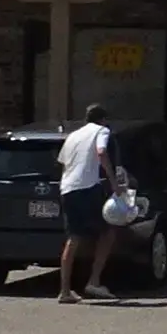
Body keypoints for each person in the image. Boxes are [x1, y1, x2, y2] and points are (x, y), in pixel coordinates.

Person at [52, 98, 117, 301]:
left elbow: (64, 163)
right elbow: (101, 152)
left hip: (67, 189)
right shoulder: (101, 131)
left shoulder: (73, 136)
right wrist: (113, 182)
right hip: (88, 188)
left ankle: (65, 291)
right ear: (103, 120)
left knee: (74, 238)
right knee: (108, 232)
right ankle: (94, 282)